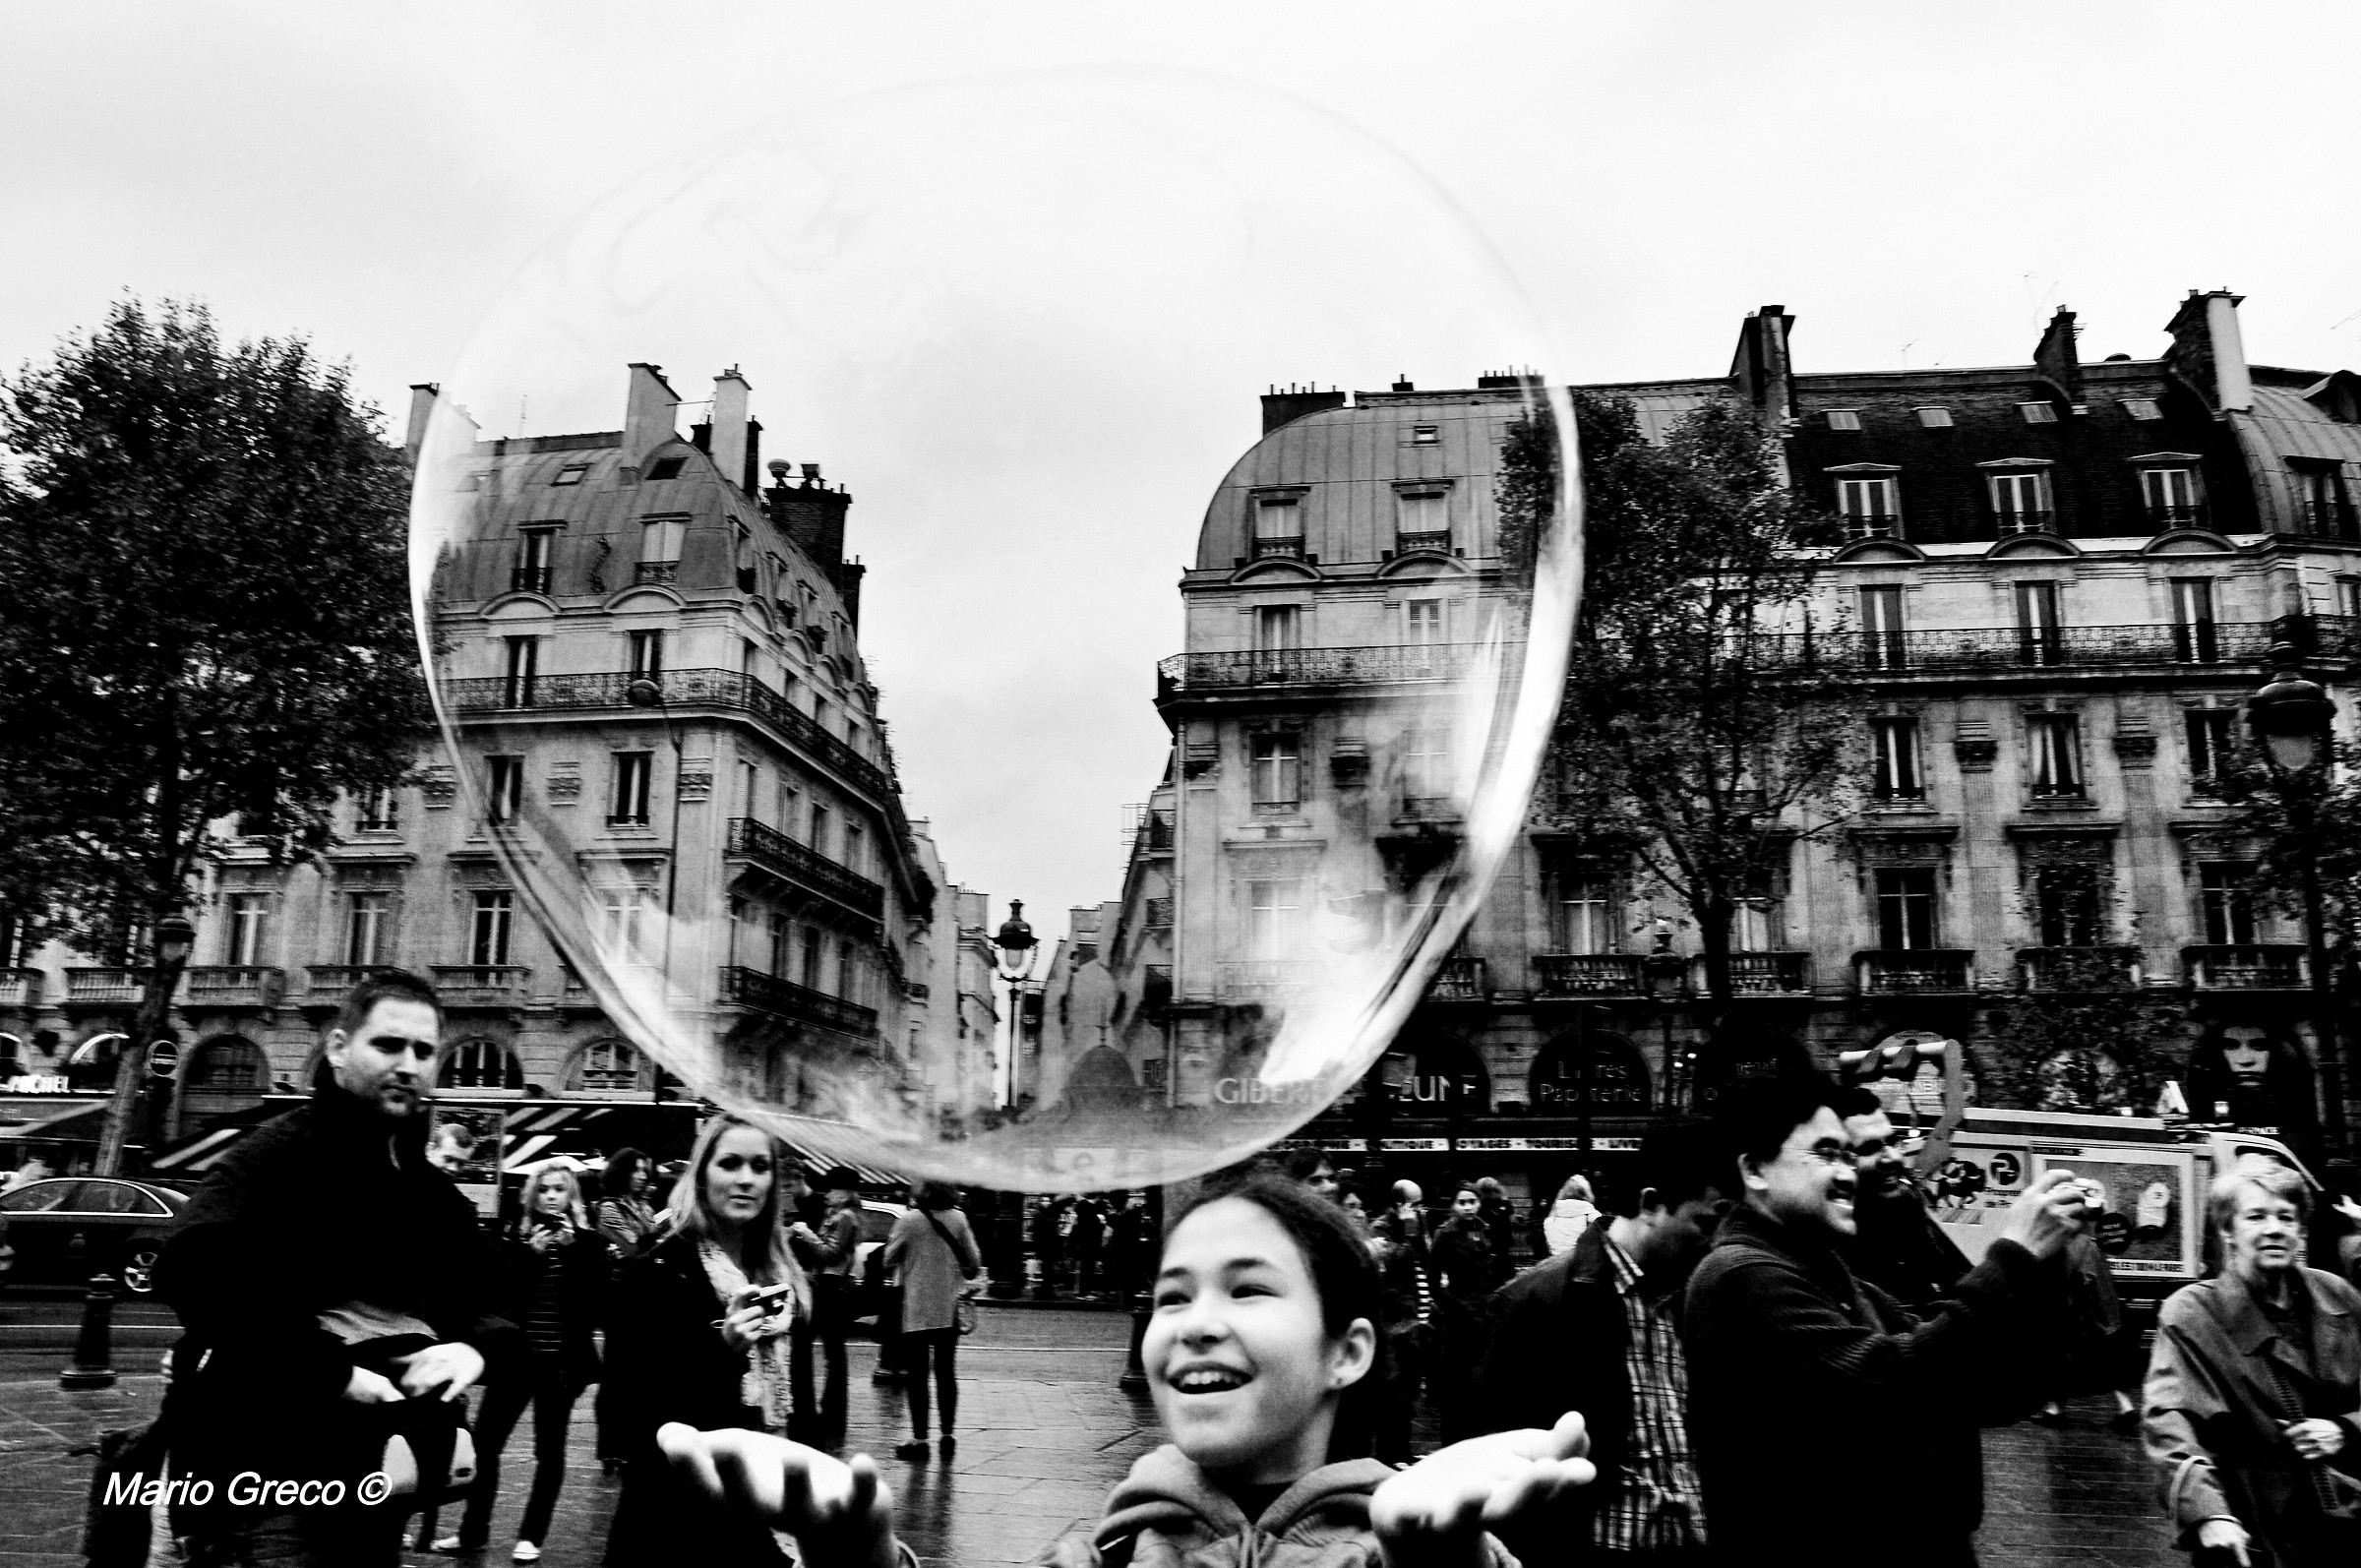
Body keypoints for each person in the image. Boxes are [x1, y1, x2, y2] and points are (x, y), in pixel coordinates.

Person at [651, 1171, 1596, 1568]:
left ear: (1347, 1352)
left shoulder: (1415, 1548)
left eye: (1248, 1289)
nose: (1195, 1324)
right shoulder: (1094, 1554)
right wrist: (857, 1562)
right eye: (1172, 1296)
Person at [153, 970, 520, 1568]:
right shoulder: (278, 1155)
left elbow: (493, 1292)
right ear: (339, 1048)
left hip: (379, 1479)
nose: (407, 1065)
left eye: (424, 1051)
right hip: (269, 1478)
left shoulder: (427, 1188)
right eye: (388, 1045)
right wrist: (332, 1373)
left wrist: (475, 1349)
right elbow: (192, 1265)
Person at [1684, 1072, 2088, 1568]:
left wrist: (2049, 1265)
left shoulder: (1836, 1279)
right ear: (1754, 1170)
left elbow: (1991, 1390)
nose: (1848, 1174)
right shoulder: (1742, 1276)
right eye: (1826, 1155)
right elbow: (1891, 1382)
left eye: (1847, 1156)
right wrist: (2013, 1255)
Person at [1476, 1122, 1730, 1565]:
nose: (1716, 1243)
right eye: (1706, 1223)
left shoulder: (1697, 1298)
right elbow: (1491, 1457)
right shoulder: (1534, 1302)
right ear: (1650, 1204)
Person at [603, 1114, 813, 1568]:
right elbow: (626, 1415)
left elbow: (801, 1420)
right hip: (672, 1525)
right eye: (730, 1163)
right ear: (701, 1177)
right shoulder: (656, 1272)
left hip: (761, 1522)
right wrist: (723, 1350)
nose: (746, 1179)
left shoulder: (785, 1282)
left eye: (760, 1167)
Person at [2144, 1158, 2361, 1568]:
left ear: (2300, 1229)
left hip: (2342, 1525)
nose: (2274, 1229)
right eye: (2256, 1216)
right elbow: (2170, 1420)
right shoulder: (2193, 1312)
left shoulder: (2338, 1296)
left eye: (2286, 1217)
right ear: (2228, 1230)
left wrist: (2345, 1429)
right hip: (2250, 1529)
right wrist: (2209, 1513)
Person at [437, 1165, 608, 1562]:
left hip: (560, 1366)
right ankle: (472, 1532)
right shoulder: (515, 1238)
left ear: (571, 1196)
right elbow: (498, 1294)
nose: (551, 1196)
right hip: (515, 1361)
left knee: (549, 1451)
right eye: (544, 1189)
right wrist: (531, 1256)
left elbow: (594, 1305)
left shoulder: (589, 1243)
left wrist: (573, 1251)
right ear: (533, 1196)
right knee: (485, 1446)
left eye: (559, 1189)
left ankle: (532, 1535)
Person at [1834, 1085, 1971, 1313]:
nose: (1894, 1157)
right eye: (1869, 1148)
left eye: (1892, 1142)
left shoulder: (1905, 1207)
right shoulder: (1830, 1249)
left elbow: (1953, 1277)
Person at [881, 1180, 984, 1459]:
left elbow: (888, 1259)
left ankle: (920, 1439)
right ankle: (948, 1435)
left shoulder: (909, 1220)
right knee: (946, 1372)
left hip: (916, 1308)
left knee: (917, 1375)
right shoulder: (958, 1218)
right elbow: (974, 1262)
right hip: (948, 1308)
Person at [794, 1168, 865, 1446]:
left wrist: (806, 1234)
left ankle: (832, 1414)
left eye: (832, 1189)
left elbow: (831, 1253)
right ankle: (830, 1413)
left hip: (830, 1289)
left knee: (832, 1355)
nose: (827, 1194)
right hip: (826, 1285)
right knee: (833, 1353)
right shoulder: (837, 1214)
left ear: (844, 1192)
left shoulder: (845, 1217)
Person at [1429, 1184, 1504, 1442]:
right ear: (1453, 1205)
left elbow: (1498, 1269)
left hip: (1487, 1313)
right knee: (1457, 1384)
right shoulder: (1445, 1235)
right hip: (1459, 1317)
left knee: (1483, 1380)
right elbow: (1434, 1283)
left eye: (1472, 1201)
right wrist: (1456, 1308)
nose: (1468, 1207)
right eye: (1462, 1202)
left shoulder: (1486, 1230)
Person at [1369, 1179, 1431, 1465]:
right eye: (1415, 1205)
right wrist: (1409, 1230)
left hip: (1414, 1320)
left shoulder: (1415, 1227)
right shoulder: (1381, 1229)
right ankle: (1389, 1454)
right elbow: (1397, 1264)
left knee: (1408, 1391)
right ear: (1399, 1205)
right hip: (1396, 1324)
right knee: (1394, 1393)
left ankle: (1402, 1451)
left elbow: (1424, 1260)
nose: (1421, 1210)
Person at [1541, 1175, 1602, 1258]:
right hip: (1583, 1262)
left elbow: (1549, 1242)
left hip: (1558, 1262)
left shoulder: (1552, 1218)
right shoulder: (1592, 1215)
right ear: (1586, 1193)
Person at [1031, 1194, 1069, 1299]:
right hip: (1045, 1246)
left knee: (1048, 1270)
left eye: (1048, 1201)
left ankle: (1046, 1290)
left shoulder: (1045, 1213)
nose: (1046, 1203)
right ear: (1040, 1202)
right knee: (1048, 1270)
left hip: (1049, 1246)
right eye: (1044, 1201)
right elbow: (1041, 1231)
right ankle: (1047, 1291)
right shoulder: (1039, 1214)